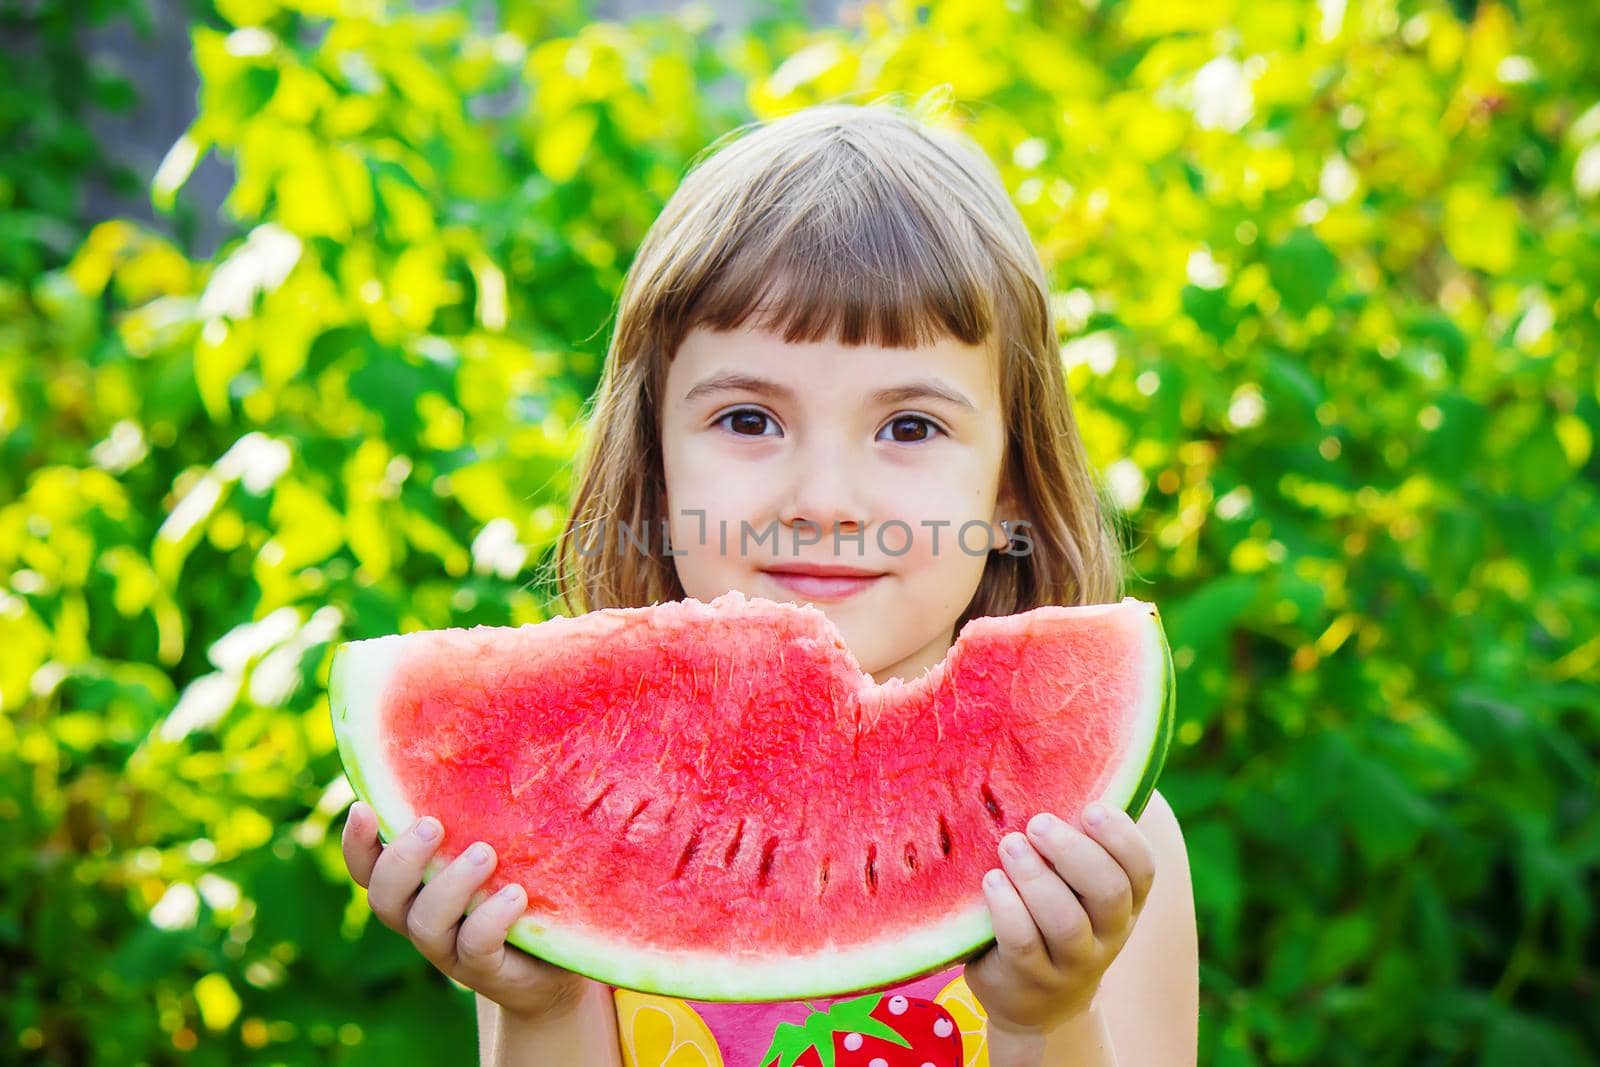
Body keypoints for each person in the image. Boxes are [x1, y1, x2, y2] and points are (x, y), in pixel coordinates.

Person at [341, 97, 1198, 1066]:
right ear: (655, 467)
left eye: (908, 426)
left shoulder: (1099, 837)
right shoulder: (568, 809)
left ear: (1008, 484)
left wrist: (1046, 1015)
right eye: (749, 419)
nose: (823, 498)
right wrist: (542, 1008)